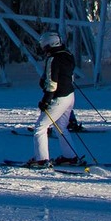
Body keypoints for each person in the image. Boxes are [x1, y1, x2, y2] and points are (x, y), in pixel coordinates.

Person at [27, 32, 81, 169]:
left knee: (40, 127)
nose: (43, 48)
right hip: (70, 96)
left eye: (43, 45)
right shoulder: (68, 54)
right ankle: (70, 156)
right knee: (61, 127)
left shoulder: (53, 59)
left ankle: (41, 159)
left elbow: (52, 83)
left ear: (48, 44)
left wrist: (46, 100)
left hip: (59, 98)